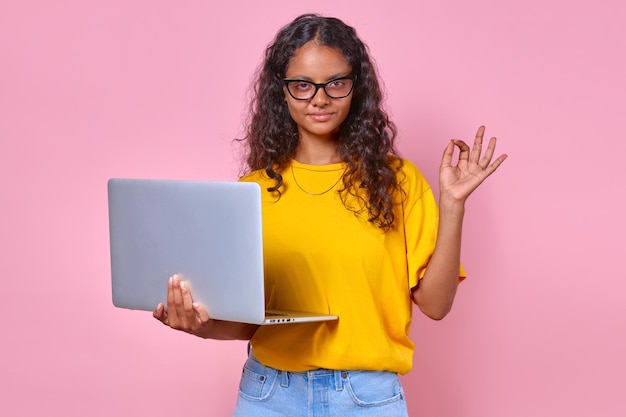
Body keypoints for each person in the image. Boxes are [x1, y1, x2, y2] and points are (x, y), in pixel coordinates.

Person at [153, 13, 507, 417]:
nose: (319, 99)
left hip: (367, 398)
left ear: (357, 88)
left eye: (335, 83)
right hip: (269, 394)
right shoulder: (252, 191)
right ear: (281, 92)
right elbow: (248, 323)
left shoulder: (399, 182)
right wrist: (199, 325)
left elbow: (437, 305)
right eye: (302, 85)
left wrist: (453, 205)